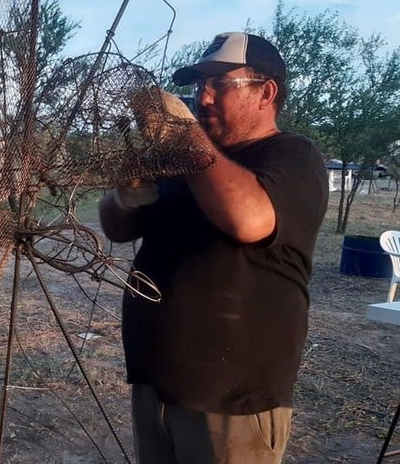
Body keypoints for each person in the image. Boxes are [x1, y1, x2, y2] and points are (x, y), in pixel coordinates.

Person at [100, 32, 329, 463]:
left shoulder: (293, 158)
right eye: (196, 86)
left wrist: (183, 136)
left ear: (266, 92)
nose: (201, 99)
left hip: (233, 402)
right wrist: (122, 196)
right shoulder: (185, 162)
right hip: (156, 384)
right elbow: (117, 229)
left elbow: (248, 219)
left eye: (219, 85)